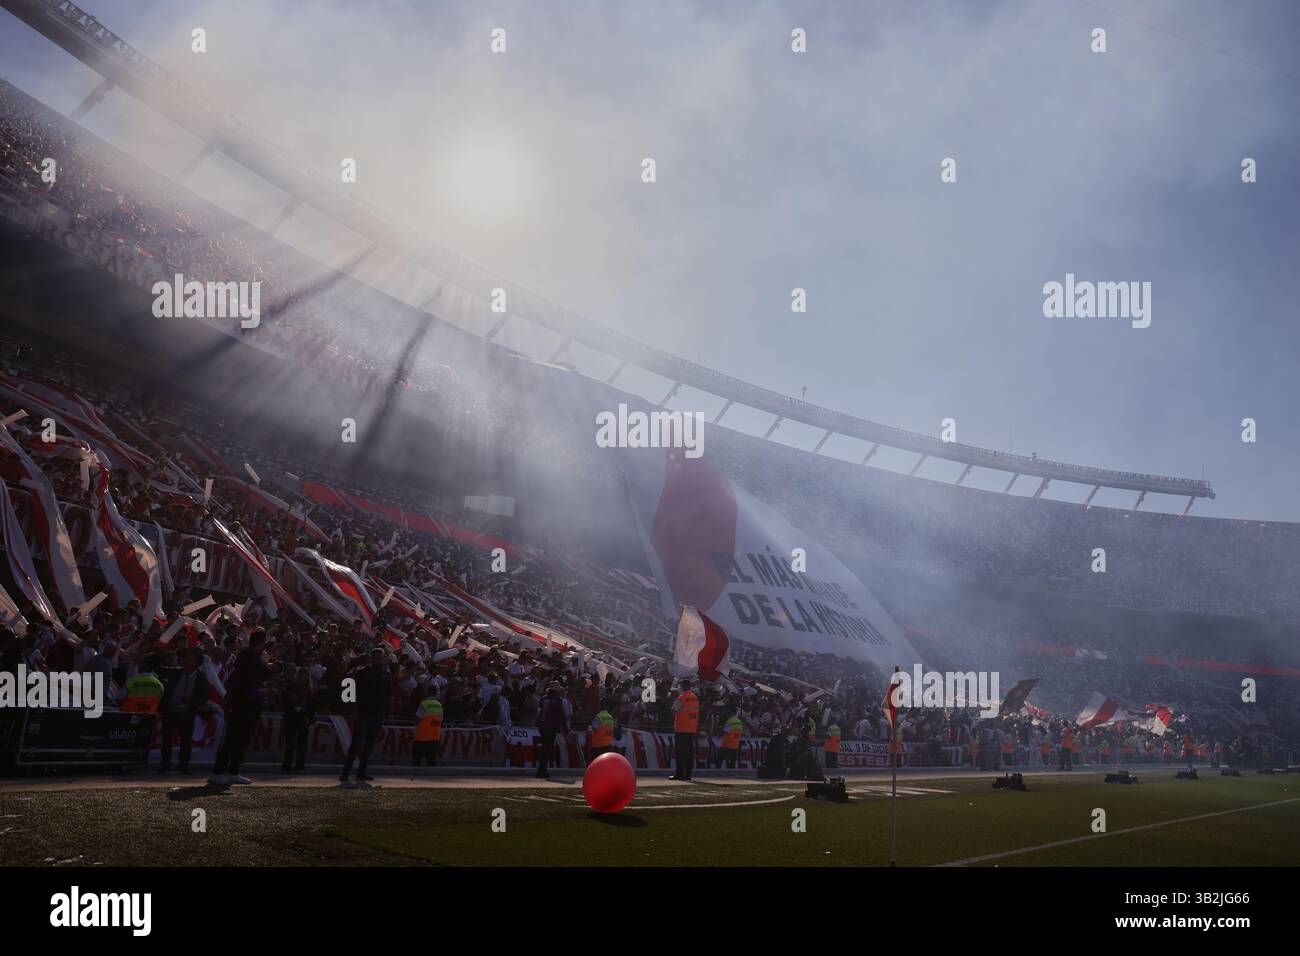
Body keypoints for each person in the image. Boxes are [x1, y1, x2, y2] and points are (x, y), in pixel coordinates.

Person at [210, 629, 281, 786]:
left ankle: (233, 771)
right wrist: (269, 666)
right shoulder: (249, 655)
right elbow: (261, 673)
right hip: (241, 703)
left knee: (242, 739)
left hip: (250, 703)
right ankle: (218, 771)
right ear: (261, 642)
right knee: (232, 738)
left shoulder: (252, 656)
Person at [340, 647, 392, 786]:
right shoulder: (362, 673)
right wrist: (353, 711)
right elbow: (351, 691)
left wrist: (385, 712)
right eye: (376, 657)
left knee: (369, 745)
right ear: (372, 658)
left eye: (381, 657)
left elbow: (388, 695)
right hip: (363, 713)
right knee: (356, 744)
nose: (379, 660)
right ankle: (346, 772)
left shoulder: (386, 674)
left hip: (377, 714)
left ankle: (361, 771)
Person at [158, 648, 209, 775]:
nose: (186, 660)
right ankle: (165, 764)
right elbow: (158, 668)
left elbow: (204, 697)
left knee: (186, 740)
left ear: (196, 662)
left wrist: (192, 703)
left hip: (187, 713)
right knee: (167, 738)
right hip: (171, 711)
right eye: (185, 657)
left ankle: (184, 765)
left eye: (189, 658)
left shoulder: (201, 678)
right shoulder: (175, 673)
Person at [281, 666, 315, 773]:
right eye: (301, 677)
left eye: (305, 677)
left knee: (301, 744)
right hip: (292, 717)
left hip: (303, 718)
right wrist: (292, 703)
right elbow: (284, 702)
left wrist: (308, 716)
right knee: (289, 743)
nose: (302, 679)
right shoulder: (291, 687)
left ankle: (300, 766)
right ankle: (287, 765)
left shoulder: (310, 690)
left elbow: (313, 706)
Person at [535, 682, 568, 780]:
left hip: (542, 726)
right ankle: (542, 770)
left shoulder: (543, 698)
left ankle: (541, 770)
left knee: (544, 748)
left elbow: (539, 712)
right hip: (551, 726)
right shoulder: (557, 700)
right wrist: (565, 727)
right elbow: (561, 715)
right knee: (547, 749)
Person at [669, 679, 699, 781]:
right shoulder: (694, 697)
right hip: (691, 729)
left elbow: (673, 711)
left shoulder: (682, 697)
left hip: (681, 729)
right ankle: (688, 774)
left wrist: (678, 719)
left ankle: (679, 774)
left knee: (680, 752)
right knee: (689, 753)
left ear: (682, 687)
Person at [412, 694, 443, 767]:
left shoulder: (424, 704)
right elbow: (440, 720)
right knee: (431, 760)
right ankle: (432, 776)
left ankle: (415, 775)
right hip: (434, 736)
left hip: (422, 736)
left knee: (416, 760)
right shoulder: (439, 705)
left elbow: (417, 718)